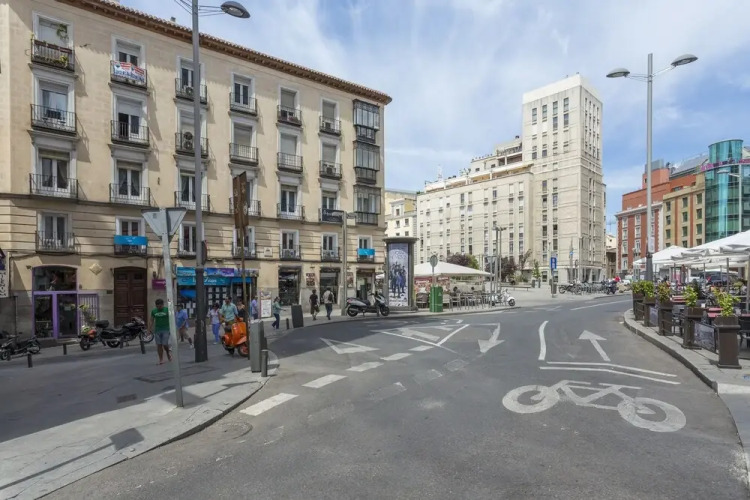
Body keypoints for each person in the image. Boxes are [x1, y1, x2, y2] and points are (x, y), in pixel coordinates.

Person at [149, 299, 172, 365]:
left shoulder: (167, 310)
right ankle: (161, 359)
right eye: (157, 306)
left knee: (165, 344)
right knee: (159, 345)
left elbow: (171, 319)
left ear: (163, 305)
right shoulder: (154, 311)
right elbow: (151, 320)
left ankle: (168, 353)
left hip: (166, 329)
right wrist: (149, 329)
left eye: (160, 306)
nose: (159, 307)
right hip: (157, 330)